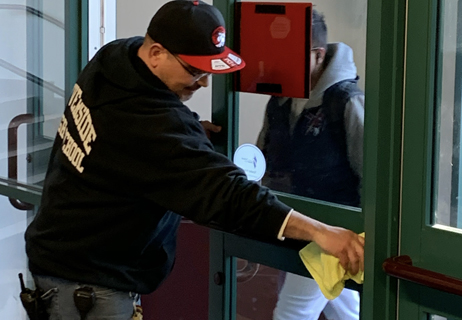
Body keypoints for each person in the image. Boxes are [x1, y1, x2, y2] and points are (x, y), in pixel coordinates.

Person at [24, 1, 364, 319]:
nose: (204, 82)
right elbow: (228, 194)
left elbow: (131, 141)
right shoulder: (150, 126)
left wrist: (187, 134)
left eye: (210, 70)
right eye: (194, 70)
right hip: (91, 290)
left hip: (62, 264)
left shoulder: (115, 59)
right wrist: (319, 231)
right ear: (156, 53)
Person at [257, 9, 364, 320]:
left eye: (289, 56)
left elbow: (368, 174)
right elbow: (263, 157)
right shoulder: (278, 100)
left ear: (317, 55)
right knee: (344, 309)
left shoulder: (346, 101)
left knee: (292, 312)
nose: (279, 64)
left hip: (333, 228)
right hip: (293, 222)